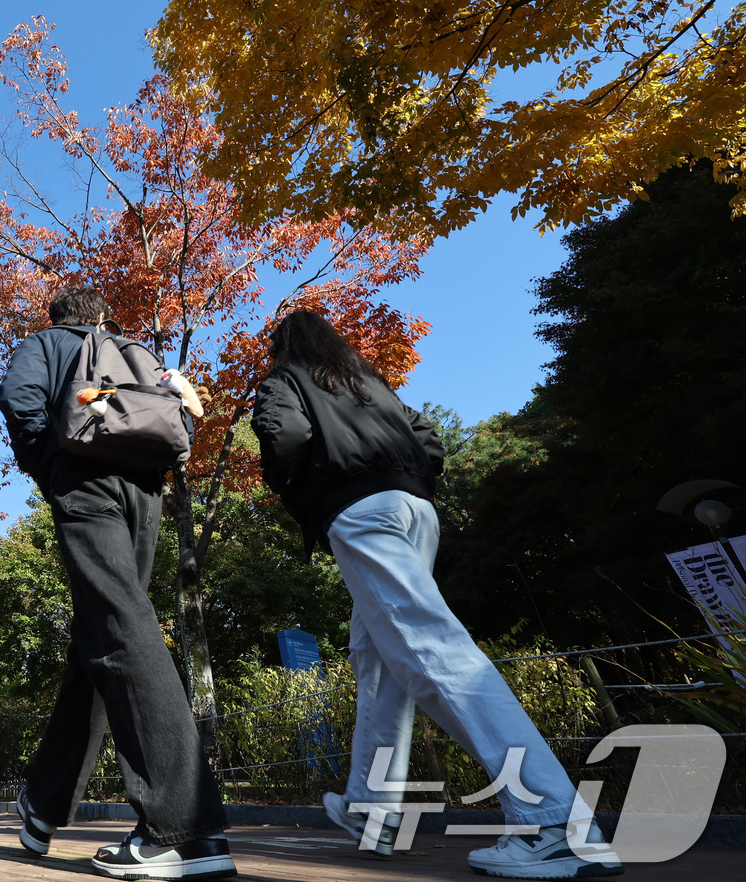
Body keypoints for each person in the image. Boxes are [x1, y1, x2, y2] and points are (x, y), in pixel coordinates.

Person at [250, 311, 621, 879]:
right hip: (414, 510)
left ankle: (554, 822)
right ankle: (373, 812)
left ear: (283, 346)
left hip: (358, 514)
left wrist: (302, 492)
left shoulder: (284, 379)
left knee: (433, 651)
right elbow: (428, 435)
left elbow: (287, 437)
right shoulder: (367, 379)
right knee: (379, 658)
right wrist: (411, 483)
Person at [0, 286, 234, 881]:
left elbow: (18, 399)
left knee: (121, 632)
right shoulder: (132, 350)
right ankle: (44, 804)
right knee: (104, 634)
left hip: (85, 482)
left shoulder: (45, 343)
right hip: (145, 490)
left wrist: (49, 467)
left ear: (58, 318)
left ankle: (185, 828)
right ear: (102, 317)